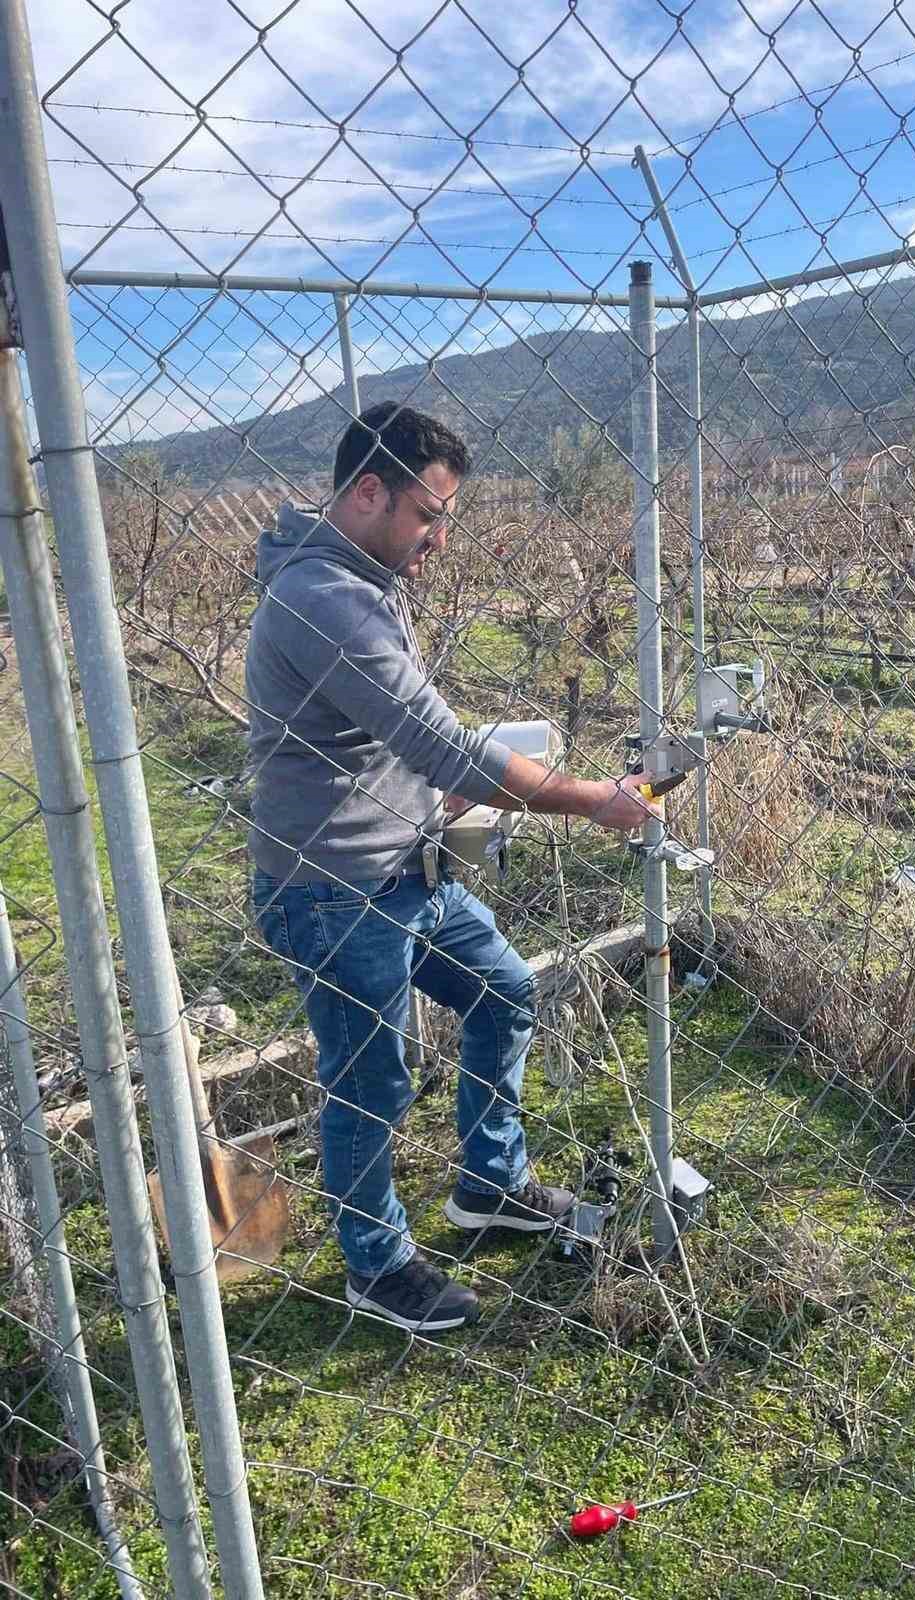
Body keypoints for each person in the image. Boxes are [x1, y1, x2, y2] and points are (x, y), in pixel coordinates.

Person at [246, 402, 654, 1333]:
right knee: (372, 1078)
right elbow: (447, 747)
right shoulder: (325, 599)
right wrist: (594, 798)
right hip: (336, 891)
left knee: (503, 990)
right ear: (367, 491)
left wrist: (433, 798)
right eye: (428, 515)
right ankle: (375, 1266)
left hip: (407, 868)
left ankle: (489, 1184)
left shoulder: (359, 579)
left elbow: (392, 743)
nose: (436, 537)